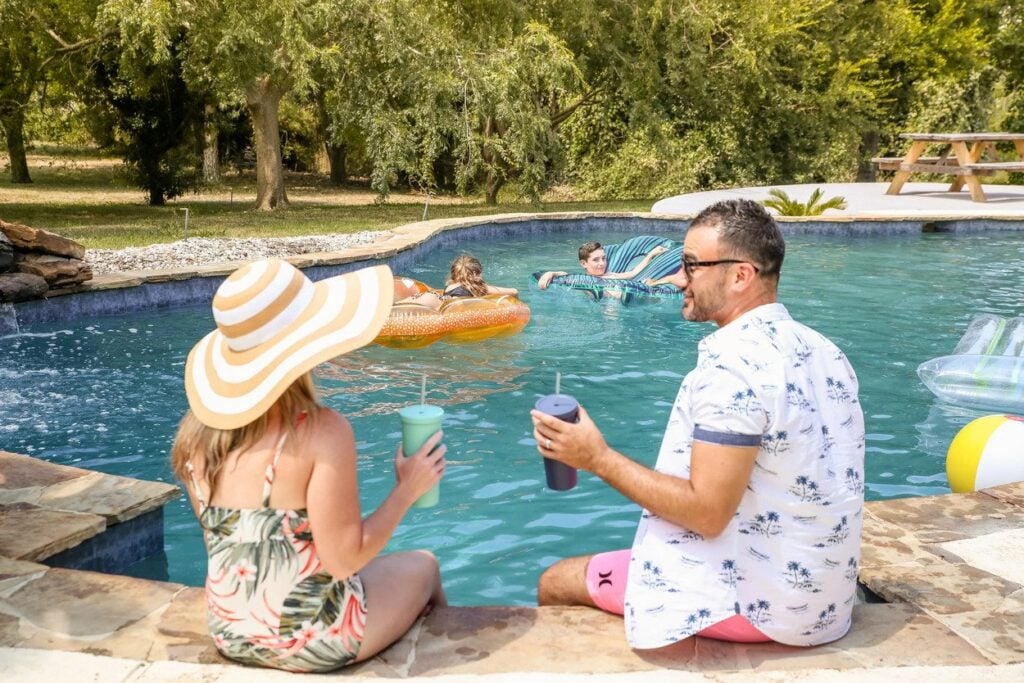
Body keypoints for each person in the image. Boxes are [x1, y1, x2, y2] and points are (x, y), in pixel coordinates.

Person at [531, 199, 865, 650]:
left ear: (740, 275)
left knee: (556, 580)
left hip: (762, 608)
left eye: (690, 265)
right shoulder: (825, 350)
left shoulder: (733, 370)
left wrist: (596, 458)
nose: (677, 278)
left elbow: (707, 514)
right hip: (823, 598)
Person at [171, 258, 447, 673]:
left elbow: (239, 544)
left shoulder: (195, 438)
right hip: (316, 639)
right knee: (425, 565)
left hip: (230, 630)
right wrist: (408, 488)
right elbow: (343, 561)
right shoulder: (322, 432)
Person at [536, 241, 668, 290]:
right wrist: (551, 273)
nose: (602, 263)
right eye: (596, 260)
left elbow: (634, 273)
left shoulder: (611, 275)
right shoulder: (582, 280)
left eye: (604, 259)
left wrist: (650, 255)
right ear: (583, 263)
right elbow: (565, 276)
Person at [405, 253, 518, 310]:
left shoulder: (452, 286)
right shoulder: (480, 288)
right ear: (476, 274)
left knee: (397, 309)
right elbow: (513, 291)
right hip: (437, 302)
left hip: (434, 298)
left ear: (453, 275)